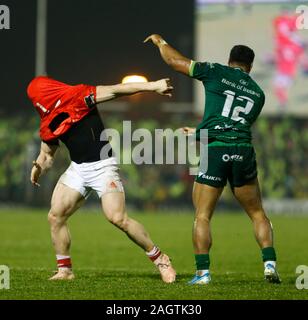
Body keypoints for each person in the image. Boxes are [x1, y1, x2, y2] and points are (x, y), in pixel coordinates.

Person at [145, 34, 281, 284]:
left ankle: (203, 273)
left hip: (216, 150)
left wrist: (161, 42)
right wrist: (198, 132)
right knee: (257, 213)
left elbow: (175, 62)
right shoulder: (258, 94)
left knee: (203, 215)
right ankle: (270, 266)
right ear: (249, 67)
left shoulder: (216, 72)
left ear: (230, 61)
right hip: (243, 150)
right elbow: (234, 125)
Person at [27, 75, 176, 283]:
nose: (37, 103)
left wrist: (153, 86)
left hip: (103, 166)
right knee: (55, 216)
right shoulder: (48, 120)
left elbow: (116, 89)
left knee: (117, 218)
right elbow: (47, 155)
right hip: (78, 169)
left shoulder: (78, 95)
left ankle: (161, 258)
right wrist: (37, 166)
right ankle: (65, 270)